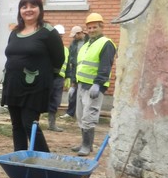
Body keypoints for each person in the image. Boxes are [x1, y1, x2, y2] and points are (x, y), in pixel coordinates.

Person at [0, 0, 65, 152]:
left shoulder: (48, 32)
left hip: (34, 87)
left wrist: (47, 78)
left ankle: (44, 163)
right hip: (13, 85)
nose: (28, 9)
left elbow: (59, 59)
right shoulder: (15, 32)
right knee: (17, 125)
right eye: (24, 6)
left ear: (40, 9)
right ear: (20, 11)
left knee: (29, 124)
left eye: (33, 6)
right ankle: (20, 160)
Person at [68, 13, 117, 156]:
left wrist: (98, 84)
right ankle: (85, 143)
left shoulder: (106, 44)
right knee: (81, 115)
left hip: (93, 87)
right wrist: (73, 84)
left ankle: (87, 145)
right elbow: (78, 66)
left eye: (94, 27)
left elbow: (105, 66)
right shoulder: (86, 45)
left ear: (101, 27)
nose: (91, 30)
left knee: (89, 116)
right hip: (81, 85)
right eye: (89, 28)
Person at [46, 24, 69, 132]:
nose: (59, 37)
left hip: (59, 78)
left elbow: (68, 64)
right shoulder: (47, 47)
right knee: (41, 100)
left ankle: (52, 124)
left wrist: (68, 77)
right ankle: (33, 122)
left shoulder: (65, 49)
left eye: (61, 36)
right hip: (48, 77)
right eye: (58, 35)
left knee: (55, 101)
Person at [61, 25, 86, 119]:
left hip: (86, 72)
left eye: (75, 35)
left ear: (80, 33)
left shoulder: (89, 41)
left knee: (83, 95)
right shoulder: (74, 43)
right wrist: (72, 79)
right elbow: (72, 59)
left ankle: (83, 114)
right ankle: (70, 113)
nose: (74, 38)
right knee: (73, 94)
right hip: (76, 70)